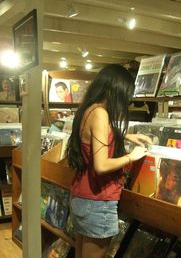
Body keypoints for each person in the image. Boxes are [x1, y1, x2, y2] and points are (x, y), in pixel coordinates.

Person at [66, 64, 152, 258]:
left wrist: (126, 136)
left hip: (82, 196)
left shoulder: (89, 109)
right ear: (117, 89)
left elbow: (95, 138)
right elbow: (101, 165)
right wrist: (132, 156)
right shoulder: (100, 114)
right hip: (97, 202)